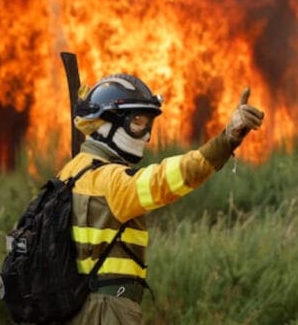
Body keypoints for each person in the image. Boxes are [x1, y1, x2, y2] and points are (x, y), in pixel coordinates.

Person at [59, 73, 264, 324]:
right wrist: (226, 139)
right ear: (106, 123)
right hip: (106, 311)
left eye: (149, 124)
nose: (146, 136)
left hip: (76, 308)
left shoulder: (69, 172)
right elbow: (167, 179)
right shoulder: (111, 181)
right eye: (138, 122)